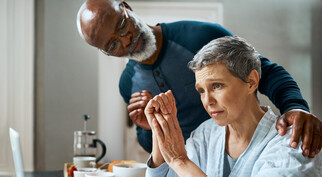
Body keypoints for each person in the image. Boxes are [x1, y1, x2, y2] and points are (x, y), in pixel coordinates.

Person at [76, 0, 321, 157]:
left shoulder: (201, 35)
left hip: (252, 157)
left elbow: (265, 71)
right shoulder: (127, 84)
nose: (127, 40)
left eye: (122, 26)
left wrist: (295, 106)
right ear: (105, 52)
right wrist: (149, 129)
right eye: (113, 44)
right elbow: (156, 149)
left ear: (126, 6)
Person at [144, 36, 322, 177]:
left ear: (251, 82)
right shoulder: (206, 134)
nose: (207, 101)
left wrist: (180, 161)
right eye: (201, 91)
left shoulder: (294, 143)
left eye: (217, 86)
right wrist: (160, 133)